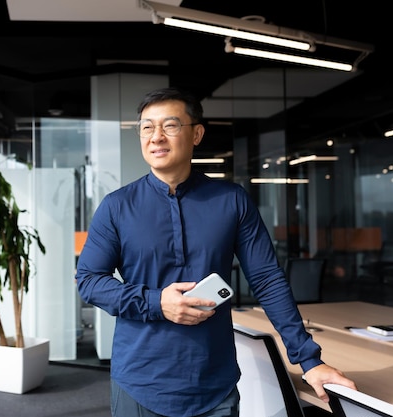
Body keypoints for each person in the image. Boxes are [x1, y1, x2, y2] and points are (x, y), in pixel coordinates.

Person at [74, 86, 357, 417]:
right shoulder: (117, 206)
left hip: (214, 384)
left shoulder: (231, 200)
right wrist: (157, 302)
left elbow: (267, 279)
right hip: (140, 382)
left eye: (170, 125)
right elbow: (89, 280)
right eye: (147, 127)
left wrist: (309, 359)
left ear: (196, 134)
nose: (156, 137)